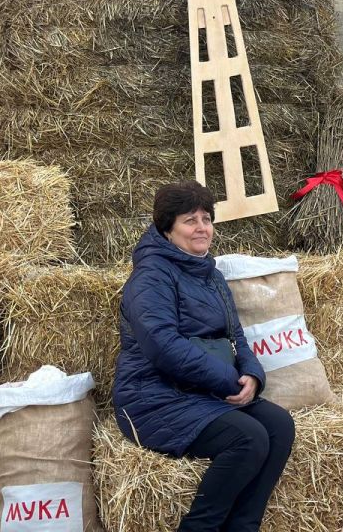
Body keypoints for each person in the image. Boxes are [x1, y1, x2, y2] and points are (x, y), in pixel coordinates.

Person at [112, 180, 295, 532]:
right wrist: (228, 380)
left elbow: (236, 335)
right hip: (156, 396)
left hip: (205, 390)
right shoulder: (151, 276)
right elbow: (163, 345)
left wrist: (252, 375)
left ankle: (243, 526)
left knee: (279, 426)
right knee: (248, 438)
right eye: (189, 220)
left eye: (206, 219)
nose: (201, 228)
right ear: (167, 229)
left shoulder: (211, 275)